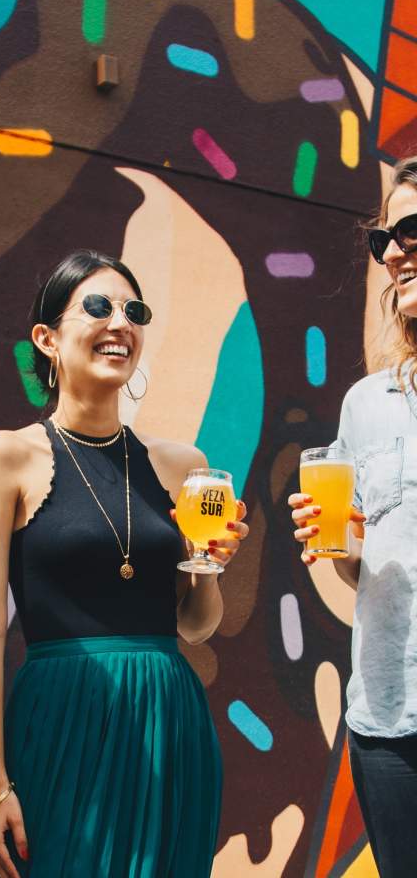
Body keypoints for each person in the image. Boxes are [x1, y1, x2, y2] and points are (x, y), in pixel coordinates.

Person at [0, 249, 249, 878]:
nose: (120, 322)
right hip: (61, 718)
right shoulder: (4, 457)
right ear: (47, 339)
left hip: (168, 720)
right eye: (97, 306)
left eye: (134, 311)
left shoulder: (184, 464)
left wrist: (208, 565)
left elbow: (196, 625)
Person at [289, 155, 417, 877]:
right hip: (386, 717)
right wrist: (343, 542)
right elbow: (357, 559)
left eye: (412, 231)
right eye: (383, 240)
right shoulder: (365, 404)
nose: (394, 252)